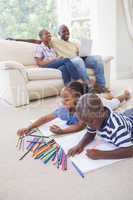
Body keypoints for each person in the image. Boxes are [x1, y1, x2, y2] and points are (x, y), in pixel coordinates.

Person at [17, 81, 130, 137]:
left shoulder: (84, 110)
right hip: (90, 97)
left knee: (113, 103)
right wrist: (29, 127)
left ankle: (124, 95)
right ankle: (107, 94)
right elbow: (46, 118)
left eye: (66, 99)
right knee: (109, 97)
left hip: (100, 103)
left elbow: (80, 126)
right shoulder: (63, 110)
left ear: (78, 98)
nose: (62, 102)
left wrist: (62, 131)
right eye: (62, 99)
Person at [68, 94, 133, 160]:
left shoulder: (117, 128)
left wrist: (101, 154)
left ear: (102, 112)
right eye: (85, 122)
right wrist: (80, 145)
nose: (89, 125)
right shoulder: (93, 119)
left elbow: (130, 150)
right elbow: (90, 133)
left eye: (90, 121)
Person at [52, 24, 107, 92]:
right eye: (64, 31)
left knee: (98, 58)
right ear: (59, 33)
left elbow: (80, 53)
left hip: (79, 59)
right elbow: (42, 39)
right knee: (78, 60)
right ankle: (88, 85)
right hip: (70, 61)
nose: (66, 33)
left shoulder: (74, 43)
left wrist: (84, 54)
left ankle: (101, 86)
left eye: (67, 31)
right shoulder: (55, 41)